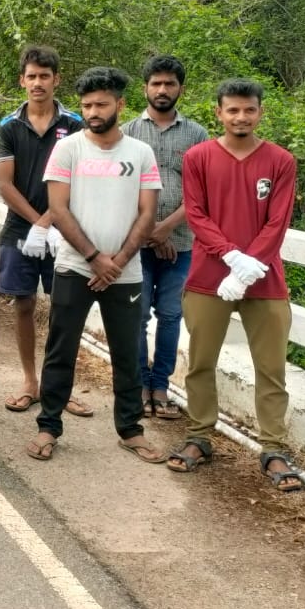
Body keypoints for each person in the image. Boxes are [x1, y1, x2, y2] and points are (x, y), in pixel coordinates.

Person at [168, 79, 302, 492]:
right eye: (233, 110)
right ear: (219, 113)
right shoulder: (198, 157)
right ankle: (199, 437)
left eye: (249, 110)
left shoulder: (280, 161)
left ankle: (274, 448)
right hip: (209, 277)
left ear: (261, 112)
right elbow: (196, 214)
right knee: (201, 362)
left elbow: (278, 222)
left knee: (271, 368)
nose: (241, 117)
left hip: (265, 280)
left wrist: (247, 268)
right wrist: (230, 257)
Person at [28, 67, 166, 464]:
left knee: (127, 353)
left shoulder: (140, 153)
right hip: (75, 266)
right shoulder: (68, 149)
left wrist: (117, 262)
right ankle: (48, 426)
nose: (92, 112)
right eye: (87, 105)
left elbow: (147, 213)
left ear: (120, 105)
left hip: (125, 272)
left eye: (101, 104)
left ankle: (131, 430)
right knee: (61, 349)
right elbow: (58, 208)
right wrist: (94, 258)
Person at [0, 46, 91, 418]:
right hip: (19, 229)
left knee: (63, 308)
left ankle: (59, 387)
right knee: (23, 304)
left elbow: (78, 179)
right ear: (22, 80)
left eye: (44, 76)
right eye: (31, 76)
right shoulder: (9, 126)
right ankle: (29, 382)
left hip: (64, 230)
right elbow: (5, 183)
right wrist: (37, 222)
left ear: (56, 80)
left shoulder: (75, 124)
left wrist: (50, 221)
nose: (38, 83)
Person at [122, 55, 209, 420]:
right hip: (136, 246)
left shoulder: (197, 135)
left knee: (171, 315)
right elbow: (120, 189)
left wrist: (167, 228)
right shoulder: (126, 132)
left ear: (180, 89)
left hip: (183, 243)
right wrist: (152, 235)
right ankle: (141, 386)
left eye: (169, 83)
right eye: (156, 83)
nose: (162, 89)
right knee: (138, 315)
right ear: (145, 88)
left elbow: (202, 193)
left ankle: (161, 388)